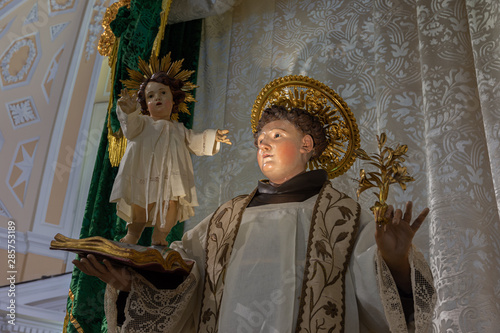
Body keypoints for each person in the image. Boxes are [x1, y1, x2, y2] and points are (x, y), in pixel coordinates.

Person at [75, 99, 435, 332]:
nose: (263, 143)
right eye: (260, 138)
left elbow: (394, 309)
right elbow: (179, 278)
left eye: (276, 135)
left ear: (307, 145)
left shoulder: (345, 217)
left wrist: (395, 261)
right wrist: (133, 284)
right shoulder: (225, 219)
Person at [109, 57, 231, 245]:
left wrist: (214, 136)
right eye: (150, 96)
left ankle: (160, 236)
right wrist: (129, 111)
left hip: (169, 179)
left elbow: (195, 140)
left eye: (163, 93)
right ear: (144, 104)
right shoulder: (142, 123)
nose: (156, 98)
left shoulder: (179, 129)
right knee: (139, 206)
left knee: (170, 207)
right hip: (143, 174)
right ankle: (132, 235)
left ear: (174, 99)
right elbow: (130, 129)